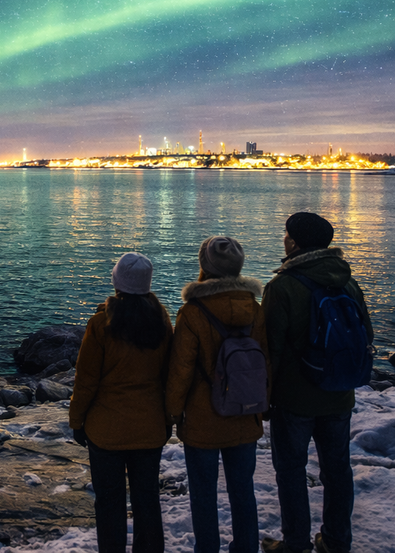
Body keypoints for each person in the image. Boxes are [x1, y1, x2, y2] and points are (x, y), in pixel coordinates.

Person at [260, 213, 372, 553]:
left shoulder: (282, 287)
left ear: (294, 242)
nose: (283, 239)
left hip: (295, 399)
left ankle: (295, 544)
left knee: (291, 471)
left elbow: (270, 350)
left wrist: (264, 398)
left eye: (286, 235)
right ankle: (337, 540)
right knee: (337, 470)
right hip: (339, 393)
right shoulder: (348, 282)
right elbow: (365, 333)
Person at [166, 236, 268, 553]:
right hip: (244, 410)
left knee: (203, 492)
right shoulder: (254, 309)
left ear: (204, 267)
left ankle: (207, 549)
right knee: (243, 490)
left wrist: (172, 411)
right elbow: (267, 361)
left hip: (203, 417)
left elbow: (181, 369)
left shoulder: (193, 313)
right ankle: (247, 548)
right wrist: (263, 404)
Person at [69, 252, 174, 553]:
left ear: (116, 282)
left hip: (106, 430)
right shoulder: (162, 321)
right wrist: (168, 419)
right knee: (147, 500)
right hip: (150, 426)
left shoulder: (101, 323)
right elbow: (169, 374)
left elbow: (86, 380)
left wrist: (77, 422)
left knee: (110, 502)